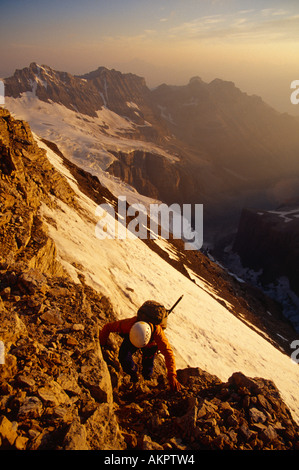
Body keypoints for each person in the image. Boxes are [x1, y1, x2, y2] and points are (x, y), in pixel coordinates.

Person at [99, 300, 182, 391]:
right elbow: (108, 327)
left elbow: (168, 353)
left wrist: (172, 376)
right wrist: (101, 344)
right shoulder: (130, 324)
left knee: (148, 365)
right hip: (134, 338)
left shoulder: (158, 333)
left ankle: (146, 378)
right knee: (123, 356)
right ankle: (134, 375)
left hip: (151, 344)